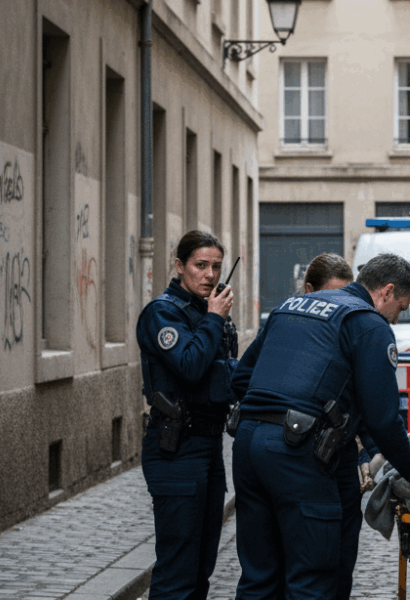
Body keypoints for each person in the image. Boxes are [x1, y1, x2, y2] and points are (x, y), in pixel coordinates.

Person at [230, 253, 410, 600]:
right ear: (387, 292)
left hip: (247, 447)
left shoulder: (291, 306)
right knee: (312, 579)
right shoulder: (370, 324)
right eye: (401, 307)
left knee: (259, 577)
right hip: (299, 455)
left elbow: (242, 377)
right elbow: (383, 418)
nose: (398, 317)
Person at [136, 230, 237, 600]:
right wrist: (214, 319)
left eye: (216, 267)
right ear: (180, 266)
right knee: (177, 568)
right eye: (200, 265)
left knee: (201, 567)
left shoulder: (208, 313)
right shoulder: (163, 312)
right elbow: (191, 366)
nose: (210, 275)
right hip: (175, 448)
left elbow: (225, 373)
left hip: (209, 447)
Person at [299, 252, 379, 600]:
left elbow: (359, 400)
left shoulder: (352, 329)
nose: (339, 307)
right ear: (309, 291)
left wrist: (370, 454)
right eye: (332, 296)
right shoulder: (295, 326)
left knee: (342, 556)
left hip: (342, 452)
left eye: (346, 296)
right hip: (303, 454)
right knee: (311, 562)